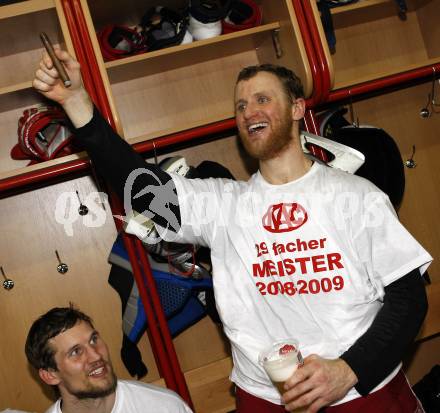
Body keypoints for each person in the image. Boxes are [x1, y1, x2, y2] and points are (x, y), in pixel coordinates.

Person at [33, 49, 432, 413]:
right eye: (241, 104)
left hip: (361, 392)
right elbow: (140, 187)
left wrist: (349, 370)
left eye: (262, 98)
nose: (248, 111)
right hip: (265, 398)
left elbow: (409, 301)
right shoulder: (224, 205)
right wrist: (75, 101)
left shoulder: (357, 197)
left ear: (297, 108)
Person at [25, 305, 193, 413]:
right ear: (50, 375)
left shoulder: (163, 407)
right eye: (76, 352)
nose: (96, 355)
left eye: (93, 340)